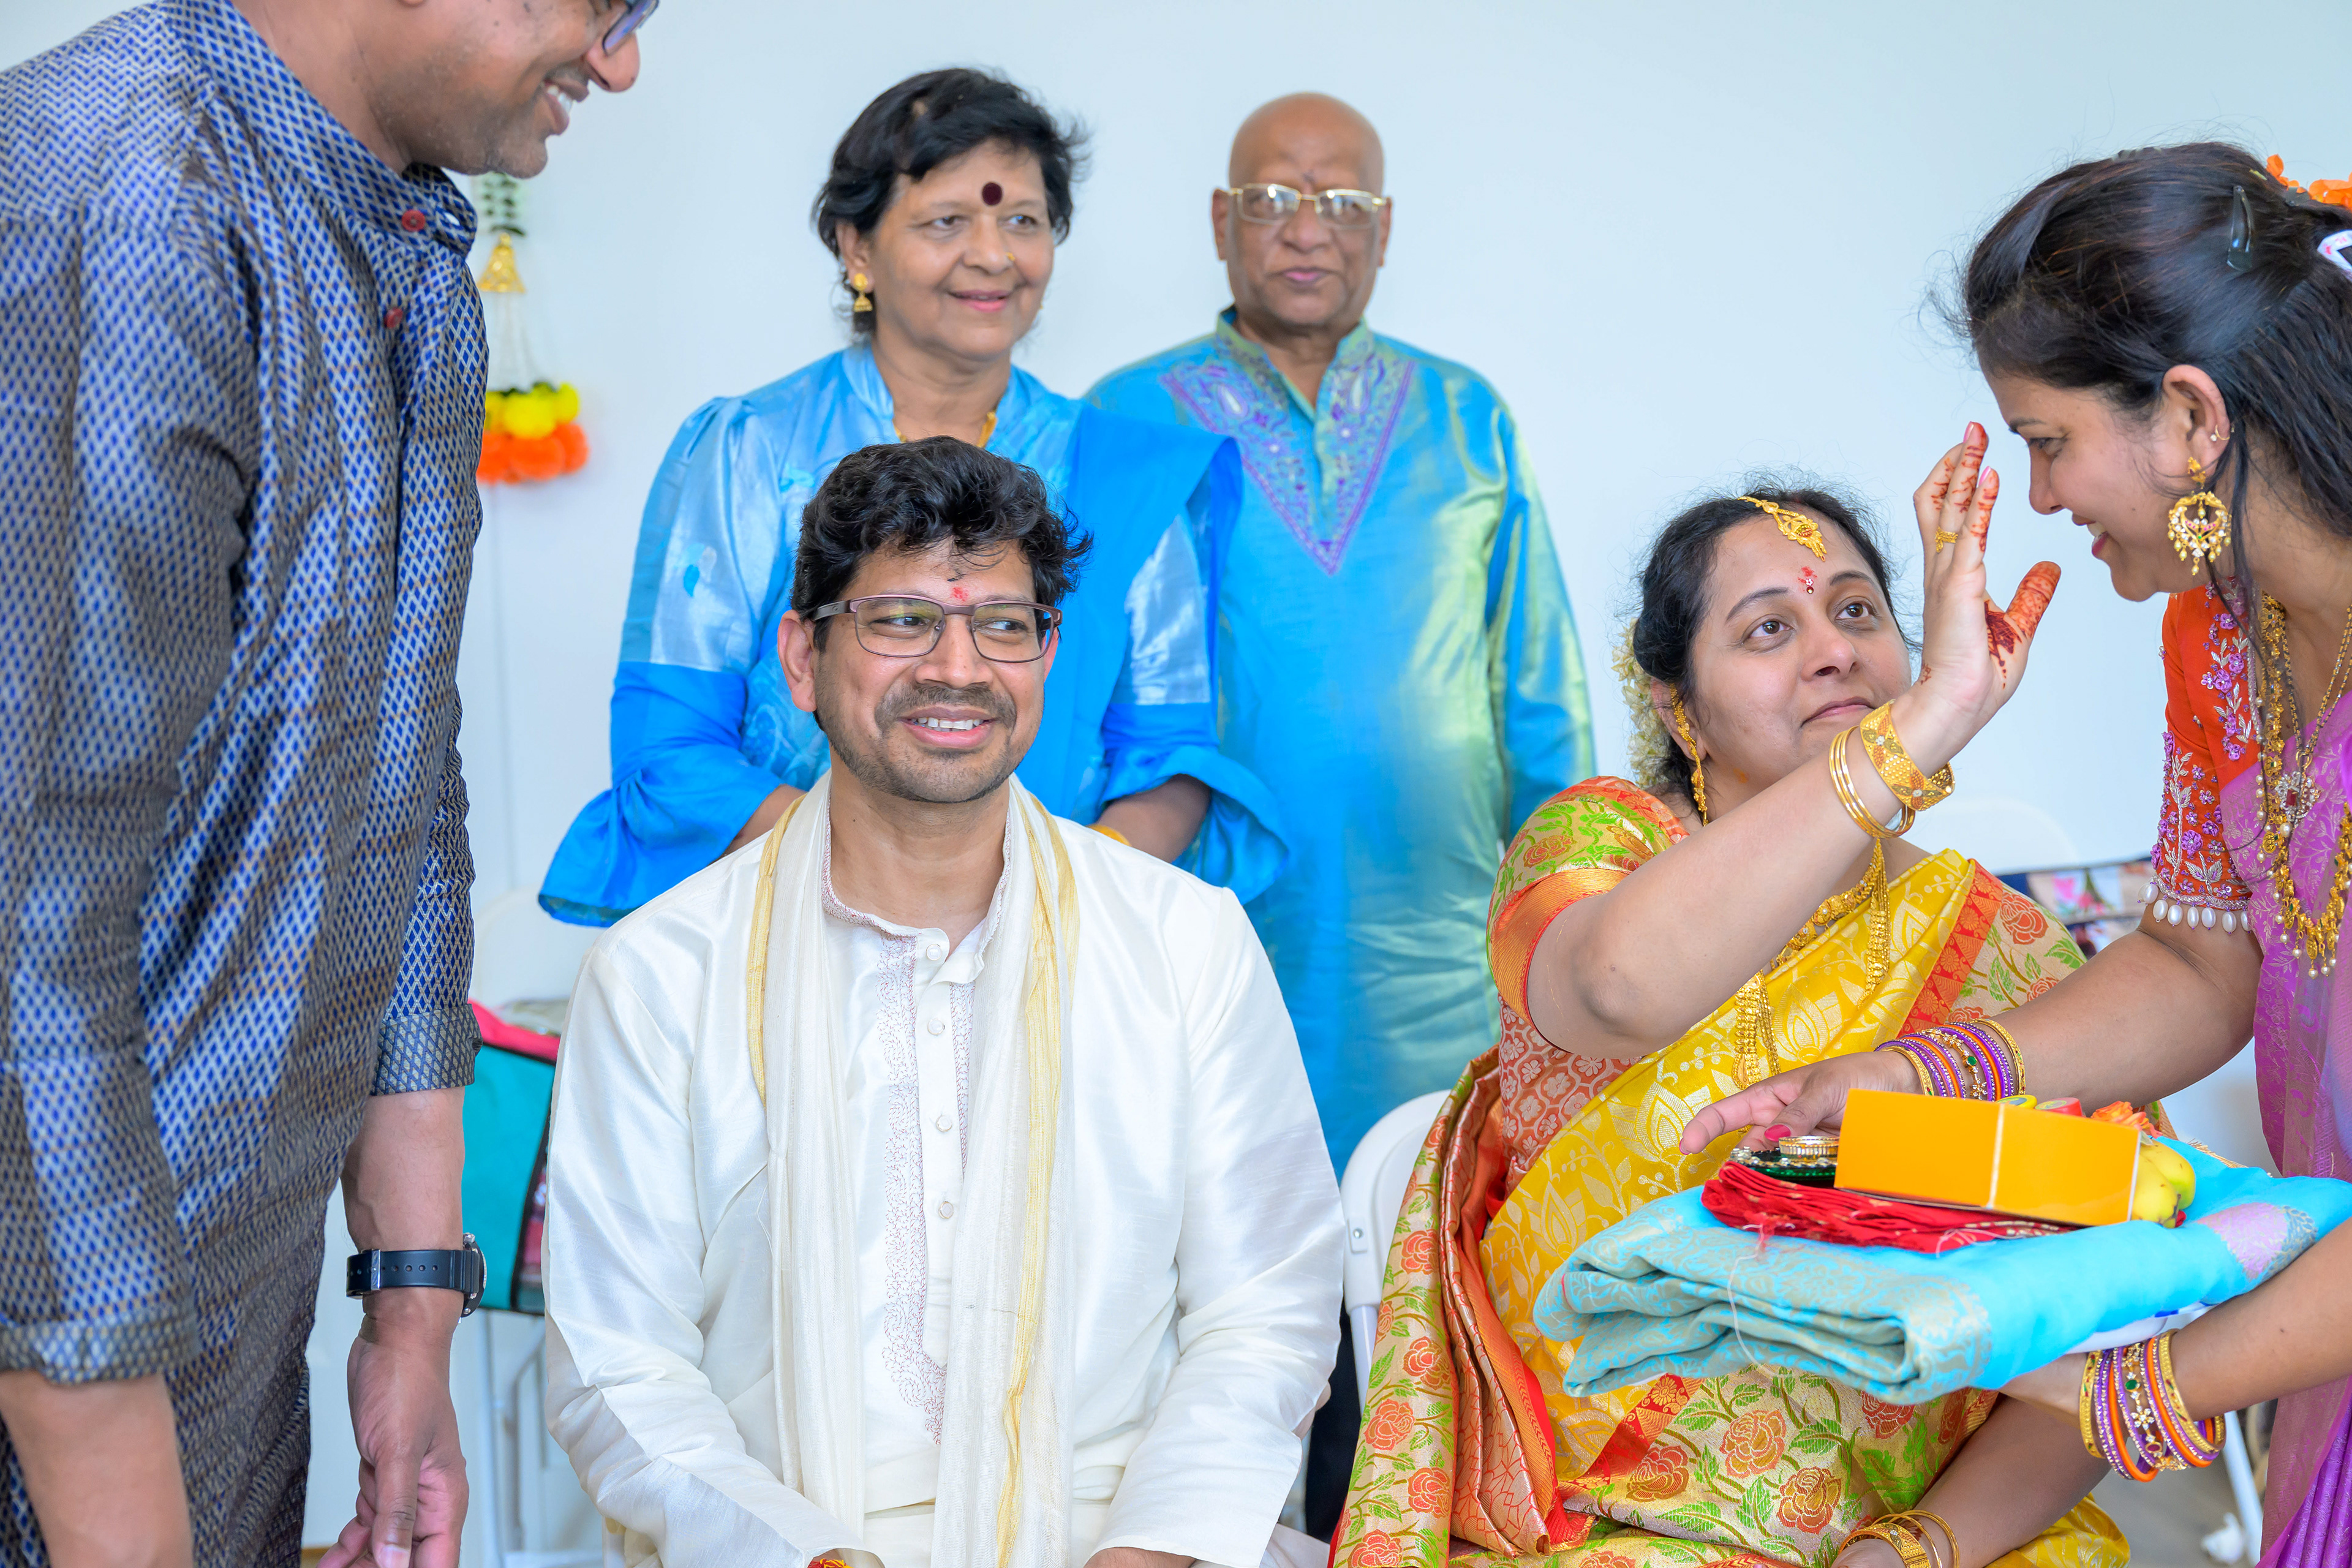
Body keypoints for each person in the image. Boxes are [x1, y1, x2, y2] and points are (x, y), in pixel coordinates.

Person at [0, 1, 645, 1565]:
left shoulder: (407, 246)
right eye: (609, 3)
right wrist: (120, 1514)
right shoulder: (134, 194)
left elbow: (403, 778)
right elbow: (25, 915)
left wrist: (412, 1299)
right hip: (65, 1375)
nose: (620, 61)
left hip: (224, 1319)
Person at [1679, 142, 2352, 1564]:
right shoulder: (2221, 640)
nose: (2043, 498)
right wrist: (1909, 1080)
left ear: (2190, 418)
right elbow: (2199, 964)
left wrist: (2135, 1386)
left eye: (2047, 440)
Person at [541, 439, 1339, 1568]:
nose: (957, 668)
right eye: (903, 621)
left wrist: (1147, 1553)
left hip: (1134, 1540)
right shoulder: (661, 974)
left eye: (1002, 625)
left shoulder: (1183, 941)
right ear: (803, 658)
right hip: (787, 1544)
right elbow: (617, 1366)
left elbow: (1265, 1310)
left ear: (1045, 656)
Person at [1330, 481, 2121, 1567]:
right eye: (1768, 630)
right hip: (1603, 1526)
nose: (1833, 652)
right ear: (1679, 711)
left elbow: (2113, 1310)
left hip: (1927, 1533)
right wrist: (1922, 729)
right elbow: (1618, 988)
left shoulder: (2003, 946)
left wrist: (1917, 1550)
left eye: (1856, 612)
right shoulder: (1601, 854)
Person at [542, 67, 1281, 929]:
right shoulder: (748, 451)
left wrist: (1036, 913)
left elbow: (1168, 760)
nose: (994, 255)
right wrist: (890, 898)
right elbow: (668, 749)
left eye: (1023, 221)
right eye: (946, 222)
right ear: (856, 246)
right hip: (792, 927)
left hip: (1053, 938)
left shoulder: (1126, 476)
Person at [1087, 92, 1591, 1177]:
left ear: (1385, 229)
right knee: (1225, 1216)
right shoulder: (1125, 418)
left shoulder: (1467, 415)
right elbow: (1081, 684)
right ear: (1221, 220)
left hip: (1443, 932)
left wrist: (1579, 908)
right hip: (1213, 915)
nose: (1309, 230)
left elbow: (1537, 683)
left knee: (1438, 1217)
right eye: (1273, 198)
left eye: (1343, 203)